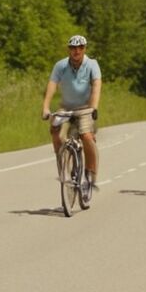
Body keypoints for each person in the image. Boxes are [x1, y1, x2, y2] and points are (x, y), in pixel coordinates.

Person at [41, 34, 102, 189]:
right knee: (54, 130)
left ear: (84, 48)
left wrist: (94, 107)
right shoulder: (60, 66)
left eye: (80, 47)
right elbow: (52, 85)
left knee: (86, 136)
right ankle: (63, 161)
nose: (77, 51)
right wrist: (46, 108)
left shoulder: (92, 64)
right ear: (69, 49)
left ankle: (90, 173)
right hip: (66, 108)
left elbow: (96, 85)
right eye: (73, 48)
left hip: (85, 108)